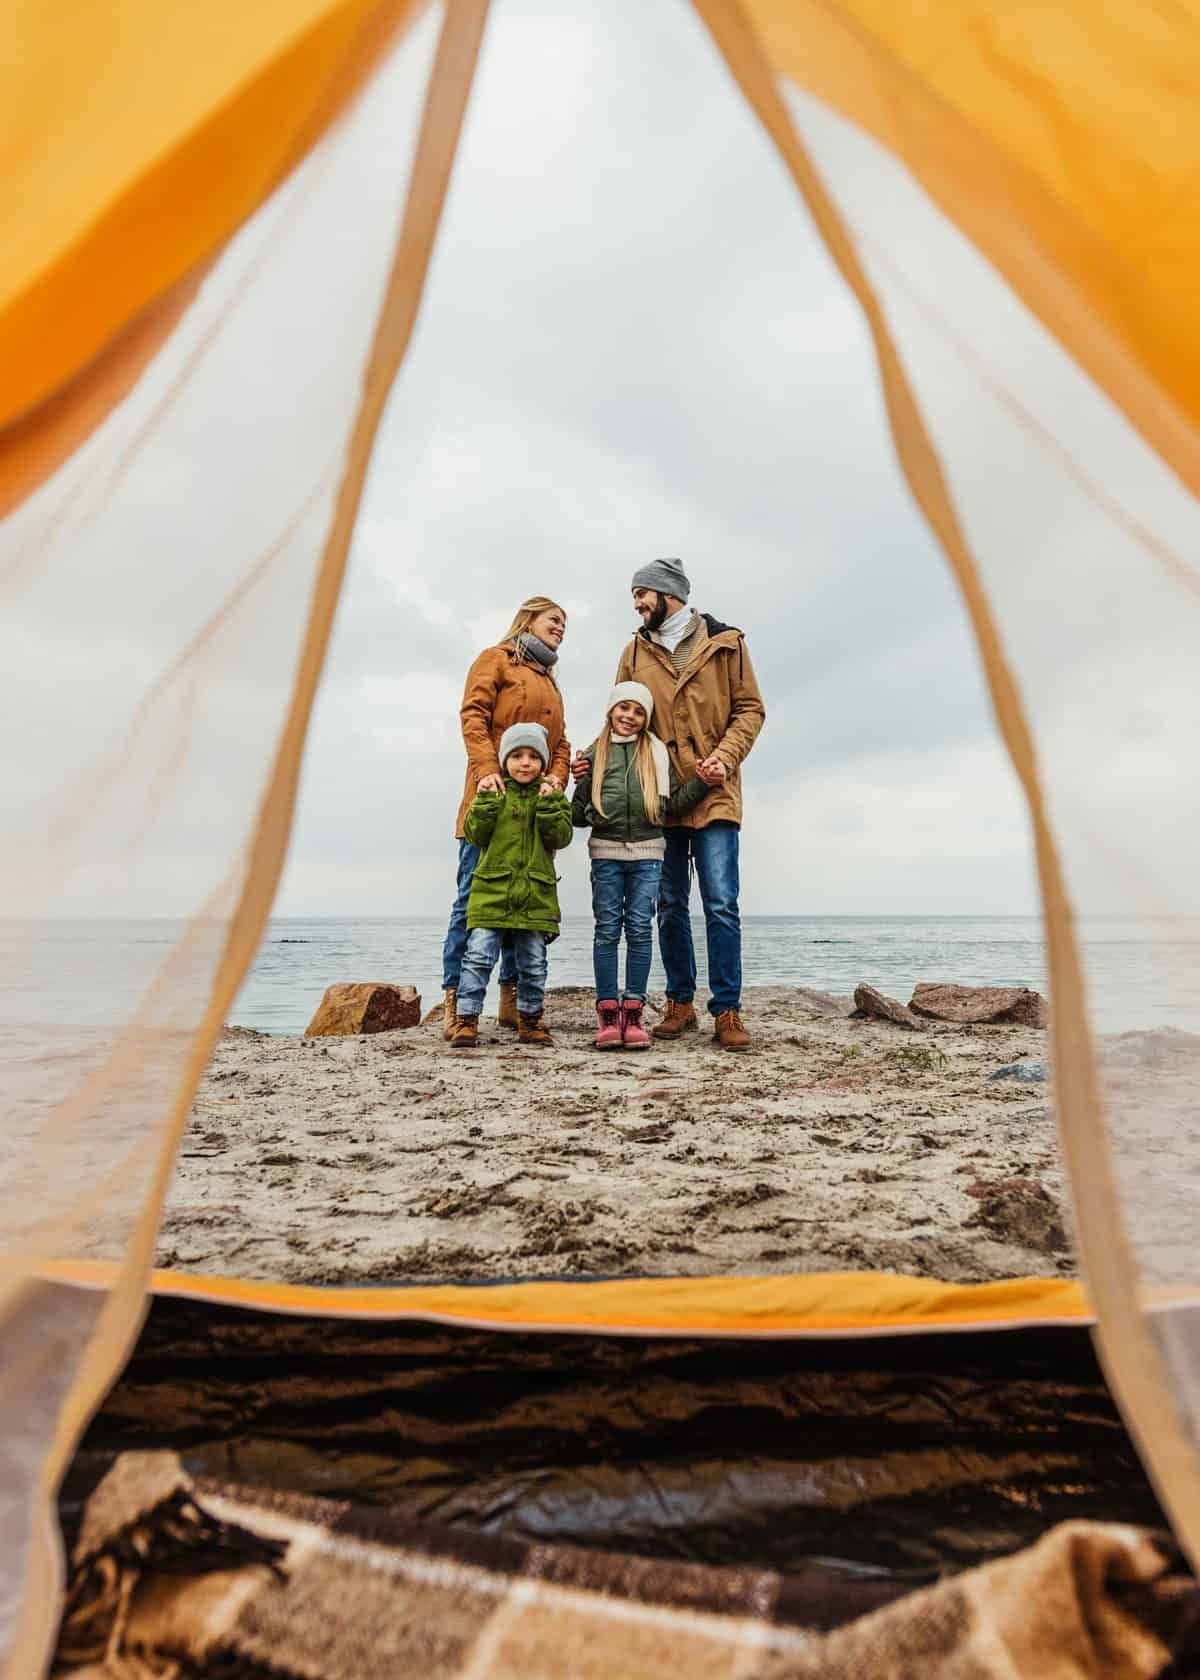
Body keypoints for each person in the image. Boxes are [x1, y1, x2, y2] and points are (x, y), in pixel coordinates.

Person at [575, 558, 765, 1051]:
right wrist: (593, 768)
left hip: (715, 791)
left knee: (721, 904)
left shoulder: (727, 644)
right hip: (657, 796)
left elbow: (750, 708)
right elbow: (622, 718)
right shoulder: (634, 651)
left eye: (642, 594)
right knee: (669, 907)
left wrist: (724, 757)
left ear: (669, 594)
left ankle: (726, 1010)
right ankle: (680, 1003)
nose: (636, 603)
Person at [439, 596, 571, 1040]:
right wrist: (488, 772)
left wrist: (556, 779)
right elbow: (472, 716)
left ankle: (512, 1002)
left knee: (526, 909)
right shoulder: (495, 660)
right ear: (528, 619)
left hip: (535, 814)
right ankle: (457, 1002)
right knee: (471, 902)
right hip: (490, 799)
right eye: (554, 619)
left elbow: (562, 744)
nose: (560, 627)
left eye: (564, 624)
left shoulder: (550, 680)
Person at [571, 682, 718, 1050]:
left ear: (646, 719)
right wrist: (582, 782)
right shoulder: (593, 753)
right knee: (607, 929)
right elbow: (576, 816)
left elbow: (671, 807)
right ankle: (607, 1015)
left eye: (638, 712)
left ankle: (633, 1012)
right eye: (623, 708)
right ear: (610, 711)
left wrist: (701, 783)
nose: (630, 717)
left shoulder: (655, 754)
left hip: (649, 855)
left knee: (639, 928)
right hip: (605, 854)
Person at [451, 722, 573, 1050]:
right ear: (504, 760)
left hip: (535, 897)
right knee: (478, 957)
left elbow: (561, 836)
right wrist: (486, 802)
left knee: (533, 963)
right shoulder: (492, 792)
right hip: (491, 894)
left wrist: (550, 805)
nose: (525, 763)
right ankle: (467, 1020)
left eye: (533, 756)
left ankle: (530, 1021)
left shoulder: (552, 796)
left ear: (544, 763)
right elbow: (475, 833)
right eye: (517, 755)